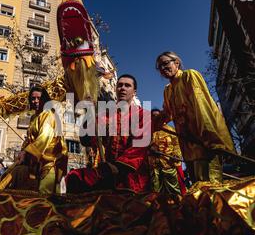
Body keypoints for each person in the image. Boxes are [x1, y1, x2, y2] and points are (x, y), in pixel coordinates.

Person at [156, 51, 235, 183]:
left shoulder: (189, 76)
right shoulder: (168, 90)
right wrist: (144, 125)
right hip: (187, 148)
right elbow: (166, 113)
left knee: (210, 189)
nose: (163, 69)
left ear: (176, 63)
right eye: (159, 67)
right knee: (197, 190)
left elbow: (202, 106)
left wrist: (211, 140)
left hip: (204, 143)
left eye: (165, 64)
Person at [65, 74, 151, 193]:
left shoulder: (143, 115)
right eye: (120, 85)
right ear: (115, 89)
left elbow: (139, 148)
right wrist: (89, 113)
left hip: (132, 174)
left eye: (127, 85)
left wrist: (115, 167)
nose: (123, 88)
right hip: (106, 170)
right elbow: (87, 140)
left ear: (134, 92)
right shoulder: (105, 115)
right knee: (75, 177)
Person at [12, 86, 68, 194]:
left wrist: (27, 152)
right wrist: (23, 151)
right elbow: (29, 139)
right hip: (35, 162)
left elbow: (45, 136)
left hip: (50, 162)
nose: (36, 101)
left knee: (45, 195)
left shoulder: (49, 114)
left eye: (39, 98)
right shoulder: (34, 118)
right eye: (33, 98)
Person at [150, 109, 186, 196]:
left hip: (168, 164)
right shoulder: (149, 131)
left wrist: (176, 155)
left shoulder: (171, 130)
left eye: (157, 116)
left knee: (173, 189)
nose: (156, 118)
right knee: (156, 191)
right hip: (154, 165)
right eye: (153, 116)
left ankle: (177, 205)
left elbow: (177, 145)